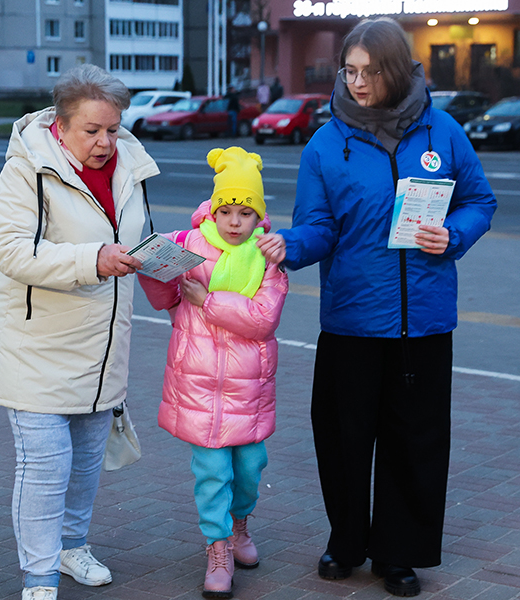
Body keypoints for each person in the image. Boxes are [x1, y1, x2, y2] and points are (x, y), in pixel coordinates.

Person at [256, 18, 496, 598]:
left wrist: (455, 234)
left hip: (424, 322)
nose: (357, 83)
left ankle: (397, 553)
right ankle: (346, 541)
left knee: (413, 439)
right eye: (350, 71)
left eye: (369, 72)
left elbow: (479, 201)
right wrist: (289, 246)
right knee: (343, 439)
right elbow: (319, 227)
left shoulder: (443, 133)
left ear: (397, 70)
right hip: (353, 320)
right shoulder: (326, 143)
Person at [0, 63, 159, 600]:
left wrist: (164, 256)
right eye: (92, 130)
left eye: (113, 127)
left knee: (86, 463)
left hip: (102, 347)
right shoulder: (28, 168)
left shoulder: (131, 162)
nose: (106, 141)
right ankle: (38, 578)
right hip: (35, 346)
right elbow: (10, 250)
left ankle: (71, 546)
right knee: (45, 466)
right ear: (60, 125)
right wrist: (94, 260)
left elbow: (134, 237)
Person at [139, 147, 288, 599]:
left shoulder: (267, 258)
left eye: (246, 212)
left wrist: (208, 301)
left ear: (257, 216)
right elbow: (161, 293)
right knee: (210, 473)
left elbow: (263, 318)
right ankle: (217, 546)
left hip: (248, 389)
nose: (235, 221)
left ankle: (240, 525)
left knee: (248, 469)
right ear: (214, 209)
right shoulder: (186, 244)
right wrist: (153, 267)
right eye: (227, 211)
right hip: (199, 387)